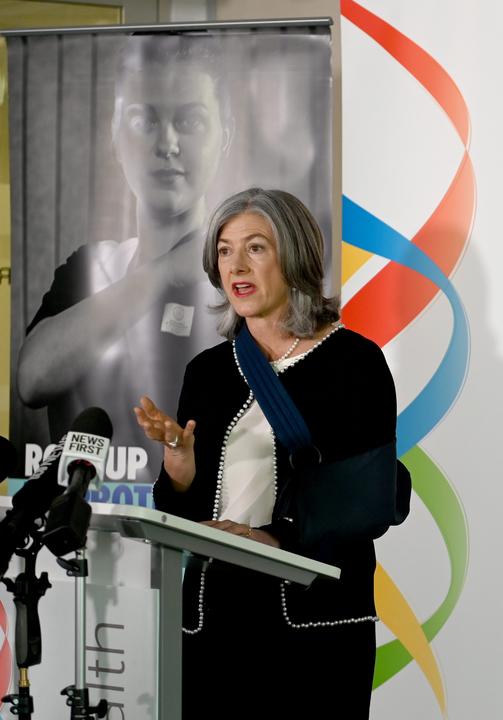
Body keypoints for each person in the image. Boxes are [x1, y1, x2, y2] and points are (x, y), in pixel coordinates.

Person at [134, 188, 396, 719]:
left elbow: (366, 499)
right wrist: (180, 473)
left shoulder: (355, 364)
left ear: (294, 255)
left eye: (256, 247)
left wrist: (276, 537)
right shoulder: (206, 373)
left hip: (314, 622)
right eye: (225, 250)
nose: (236, 265)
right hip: (213, 617)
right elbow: (187, 518)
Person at [17, 33, 233, 479]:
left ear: (223, 138)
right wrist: (164, 272)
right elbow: (32, 380)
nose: (167, 143)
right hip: (83, 534)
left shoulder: (245, 276)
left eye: (190, 122)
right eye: (143, 120)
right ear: (116, 138)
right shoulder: (91, 268)